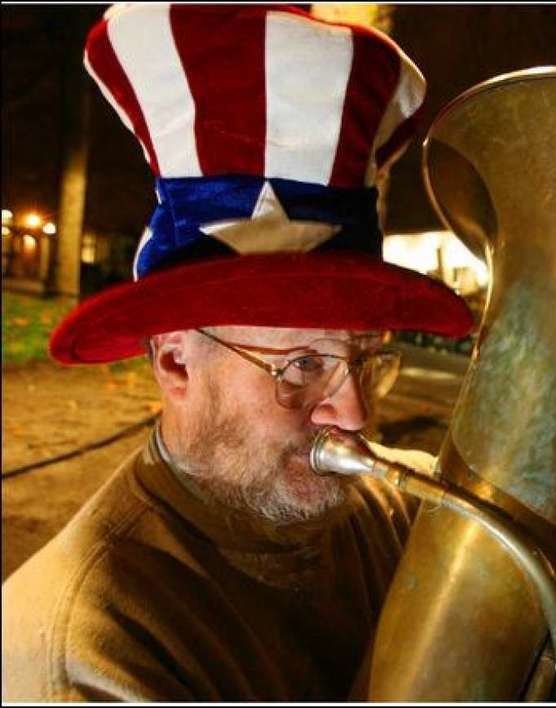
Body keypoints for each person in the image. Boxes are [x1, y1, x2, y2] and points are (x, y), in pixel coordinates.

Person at [1, 4, 473, 701]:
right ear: (176, 362)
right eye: (303, 366)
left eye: (366, 360)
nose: (356, 412)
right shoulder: (84, 651)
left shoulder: (388, 507)